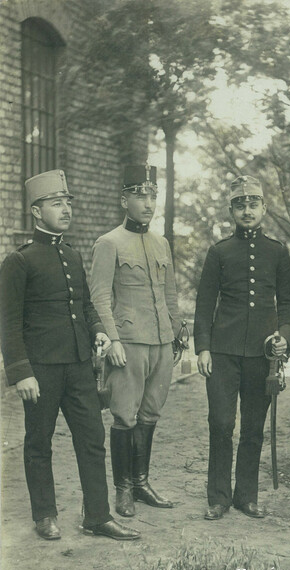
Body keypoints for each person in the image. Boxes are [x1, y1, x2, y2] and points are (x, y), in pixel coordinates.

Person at [0, 169, 140, 541]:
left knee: (92, 439)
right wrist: (20, 371)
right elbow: (9, 323)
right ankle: (45, 514)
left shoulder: (73, 254)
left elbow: (87, 306)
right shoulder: (19, 261)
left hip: (79, 366)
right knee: (38, 442)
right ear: (35, 211)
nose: (65, 210)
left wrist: (99, 333)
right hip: (41, 369)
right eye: (56, 203)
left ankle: (97, 515)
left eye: (67, 203)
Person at [194, 175, 290, 520]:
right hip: (223, 352)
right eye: (240, 205)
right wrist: (203, 348)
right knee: (221, 423)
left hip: (262, 354)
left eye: (254, 204)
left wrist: (284, 335)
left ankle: (246, 497)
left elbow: (288, 303)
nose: (247, 210)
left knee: (253, 427)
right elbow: (204, 303)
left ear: (265, 208)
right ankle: (219, 497)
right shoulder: (219, 252)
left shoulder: (278, 252)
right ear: (231, 211)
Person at [90, 164, 180, 518]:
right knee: (124, 417)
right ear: (123, 199)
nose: (147, 202)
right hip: (128, 343)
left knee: (150, 414)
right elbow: (99, 297)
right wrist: (112, 340)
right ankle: (123, 489)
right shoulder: (109, 243)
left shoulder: (161, 243)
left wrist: (176, 331)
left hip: (161, 344)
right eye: (139, 195)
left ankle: (141, 482)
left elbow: (170, 293)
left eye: (152, 195)